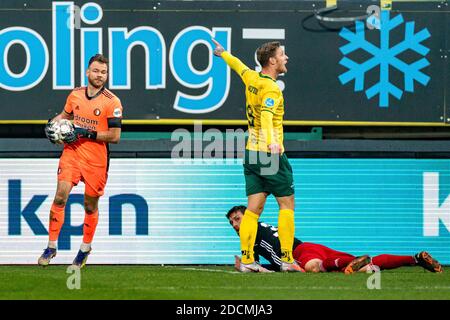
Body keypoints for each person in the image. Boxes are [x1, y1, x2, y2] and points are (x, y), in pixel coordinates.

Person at [212, 39, 301, 272]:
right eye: (282, 54)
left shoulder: (252, 77)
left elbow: (239, 66)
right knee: (287, 205)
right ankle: (287, 259)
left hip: (251, 153)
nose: (286, 58)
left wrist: (224, 54)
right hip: (268, 153)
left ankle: (249, 259)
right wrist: (273, 143)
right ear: (272, 60)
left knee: (253, 210)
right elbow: (267, 117)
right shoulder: (271, 88)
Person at [38, 54, 123, 268]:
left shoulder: (112, 102)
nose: (100, 75)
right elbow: (63, 117)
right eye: (96, 71)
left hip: (96, 159)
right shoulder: (75, 95)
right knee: (60, 196)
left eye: (104, 72)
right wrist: (51, 126)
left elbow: (115, 136)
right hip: (72, 152)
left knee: (89, 204)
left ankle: (85, 249)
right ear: (87, 72)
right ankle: (51, 246)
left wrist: (86, 132)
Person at [227, 206, 444, 274]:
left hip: (302, 253)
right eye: (232, 223)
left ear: (249, 216)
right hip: (311, 246)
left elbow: (258, 269)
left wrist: (245, 267)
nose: (236, 225)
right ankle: (414, 259)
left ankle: (346, 264)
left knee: (314, 267)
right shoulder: (261, 229)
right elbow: (271, 263)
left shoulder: (251, 234)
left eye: (238, 219)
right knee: (369, 267)